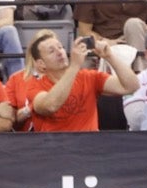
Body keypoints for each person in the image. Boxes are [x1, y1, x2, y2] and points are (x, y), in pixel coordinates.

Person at [10, 29, 140, 131]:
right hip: (54, 152)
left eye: (60, 47)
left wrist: (110, 56)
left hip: (88, 148)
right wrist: (74, 66)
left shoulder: (88, 77)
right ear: (41, 64)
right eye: (51, 51)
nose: (60, 52)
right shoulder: (34, 86)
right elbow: (50, 106)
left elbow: (131, 86)